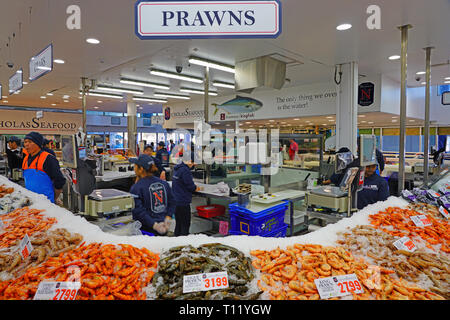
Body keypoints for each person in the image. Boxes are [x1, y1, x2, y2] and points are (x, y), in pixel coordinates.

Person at [129, 154, 175, 236]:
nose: (134, 168)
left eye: (135, 166)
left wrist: (154, 225)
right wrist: (168, 217)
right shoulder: (164, 183)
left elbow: (139, 212)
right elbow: (172, 201)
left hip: (146, 231)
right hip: (163, 226)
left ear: (141, 169)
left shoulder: (137, 188)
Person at [22, 132, 66, 203]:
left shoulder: (48, 158)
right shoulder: (25, 159)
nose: (26, 144)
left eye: (30, 142)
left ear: (38, 144)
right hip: (30, 201)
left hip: (46, 203)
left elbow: (59, 180)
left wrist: (54, 198)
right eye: (25, 142)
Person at [172, 155, 200, 236]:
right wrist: (196, 188)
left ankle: (176, 241)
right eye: (193, 162)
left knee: (178, 224)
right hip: (183, 202)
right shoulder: (185, 171)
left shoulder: (178, 168)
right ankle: (184, 244)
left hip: (176, 201)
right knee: (185, 225)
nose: (194, 164)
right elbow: (190, 186)